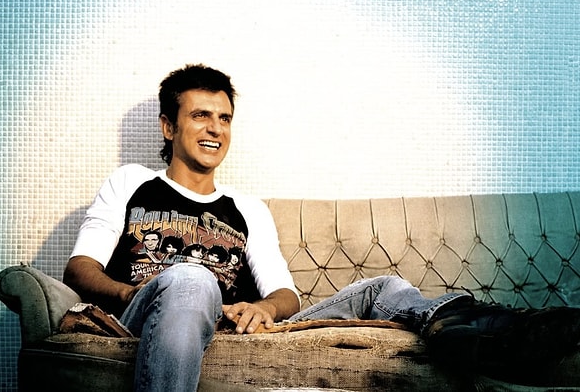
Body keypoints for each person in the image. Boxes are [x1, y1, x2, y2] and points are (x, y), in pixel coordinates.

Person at [64, 64, 580, 391]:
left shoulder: (247, 208)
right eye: (201, 116)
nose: (215, 129)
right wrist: (142, 290)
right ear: (168, 126)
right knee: (191, 278)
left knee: (383, 288)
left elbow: (286, 294)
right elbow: (80, 268)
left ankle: (493, 332)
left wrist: (264, 308)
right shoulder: (130, 183)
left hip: (234, 330)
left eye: (224, 118)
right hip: (150, 314)